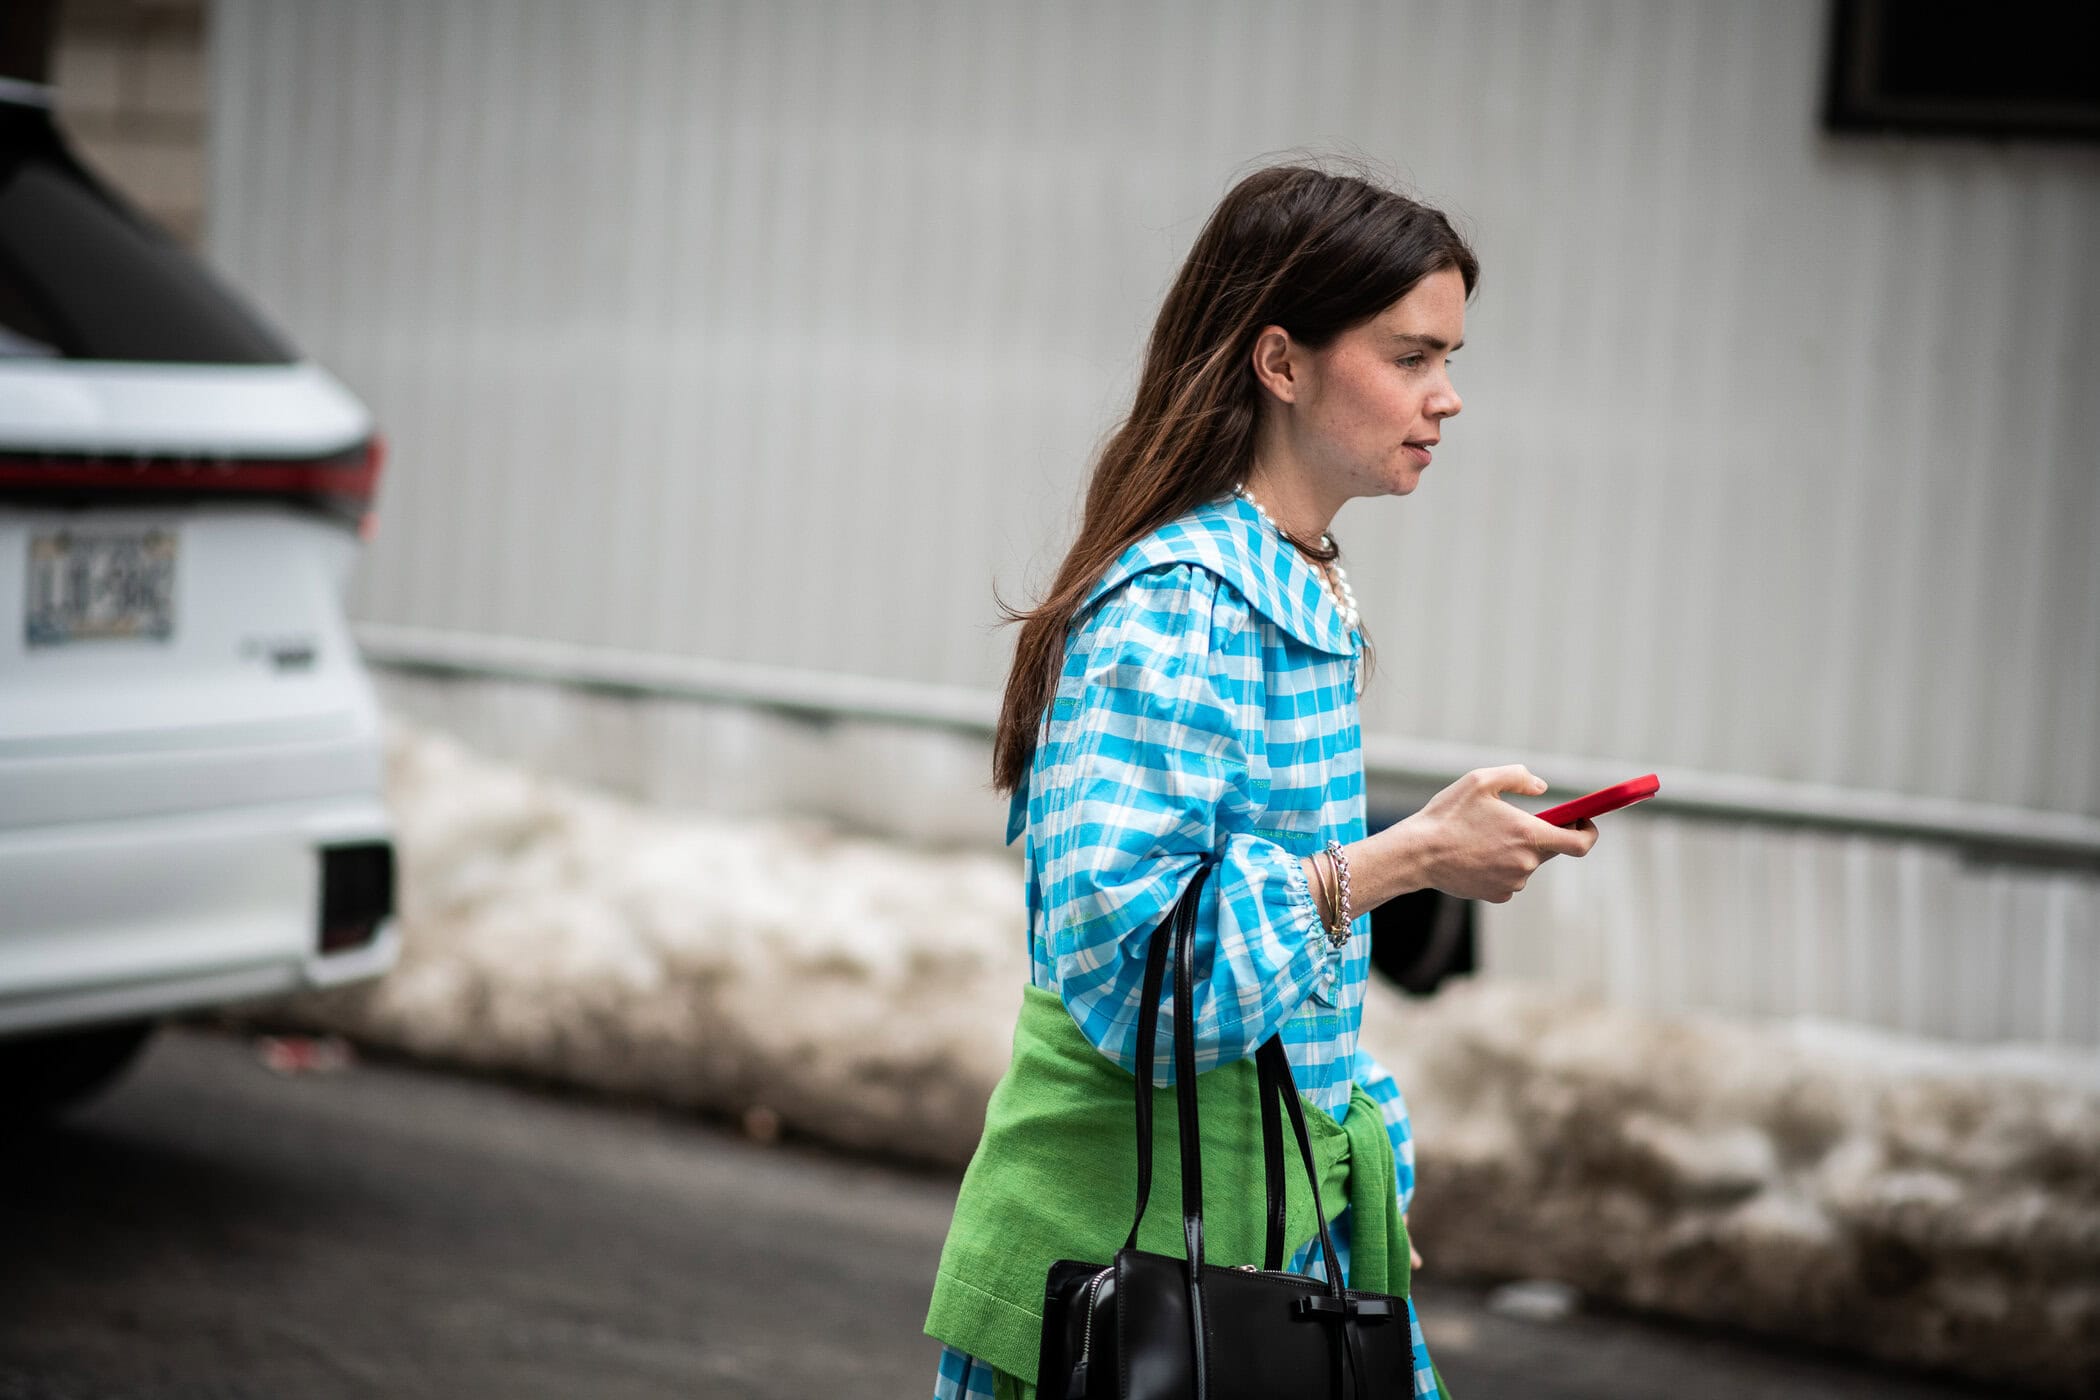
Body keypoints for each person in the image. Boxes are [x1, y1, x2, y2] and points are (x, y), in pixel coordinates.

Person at [924, 163, 1599, 1400]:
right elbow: (1138, 972)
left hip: (1259, 1240)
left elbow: (1271, 958)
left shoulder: (1289, 579)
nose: (1447, 396)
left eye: (1450, 357)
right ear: (1281, 362)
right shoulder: (1182, 602)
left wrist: (1342, 1165)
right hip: (1125, 1266)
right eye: (1410, 356)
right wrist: (1409, 857)